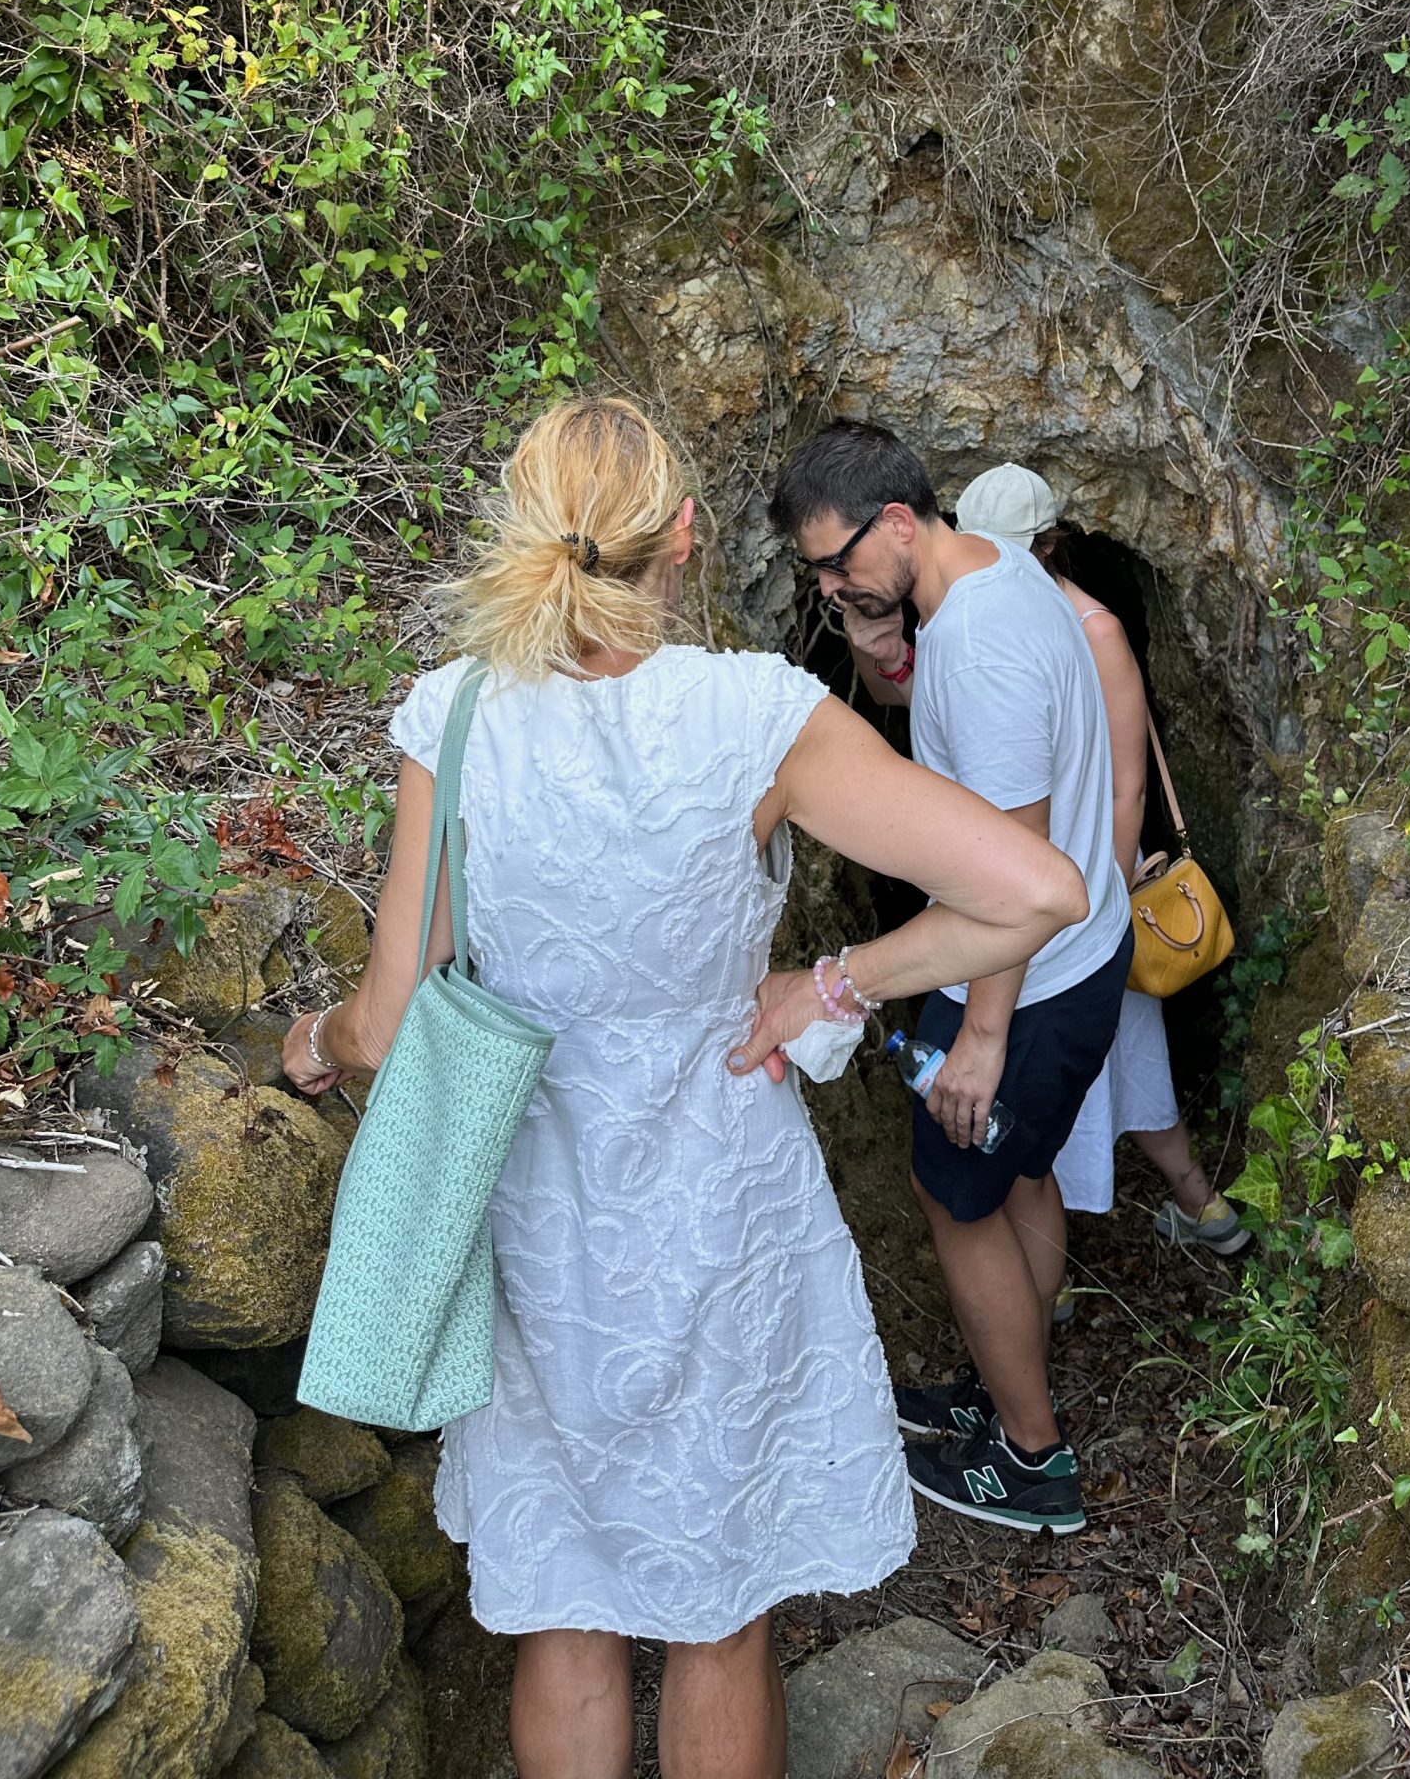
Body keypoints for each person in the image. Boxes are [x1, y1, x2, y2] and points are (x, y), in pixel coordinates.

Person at [282, 396, 1088, 1779]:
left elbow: (393, 1013)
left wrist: (310, 1045)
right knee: (722, 1615)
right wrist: (830, 985)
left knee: (565, 1609)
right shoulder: (752, 719)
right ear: (688, 538)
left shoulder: (457, 720)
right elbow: (1037, 891)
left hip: (542, 1213)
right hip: (721, 1201)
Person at [769, 421, 1134, 1538]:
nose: (830, 587)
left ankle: (1033, 1457)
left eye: (838, 563)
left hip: (1022, 981)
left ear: (894, 521)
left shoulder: (976, 652)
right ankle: (1004, 1373)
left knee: (956, 1187)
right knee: (1016, 1177)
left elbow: (1007, 877)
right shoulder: (994, 565)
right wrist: (880, 628)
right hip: (1077, 958)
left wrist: (980, 1038)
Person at [952, 464, 1250, 1258]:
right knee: (1071, 1068)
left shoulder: (1093, 631)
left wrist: (1098, 906)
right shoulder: (984, 625)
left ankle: (1188, 1206)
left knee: (1118, 1050)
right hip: (1023, 898)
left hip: (1084, 901)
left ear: (1048, 546)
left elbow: (1127, 789)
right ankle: (1173, 1216)